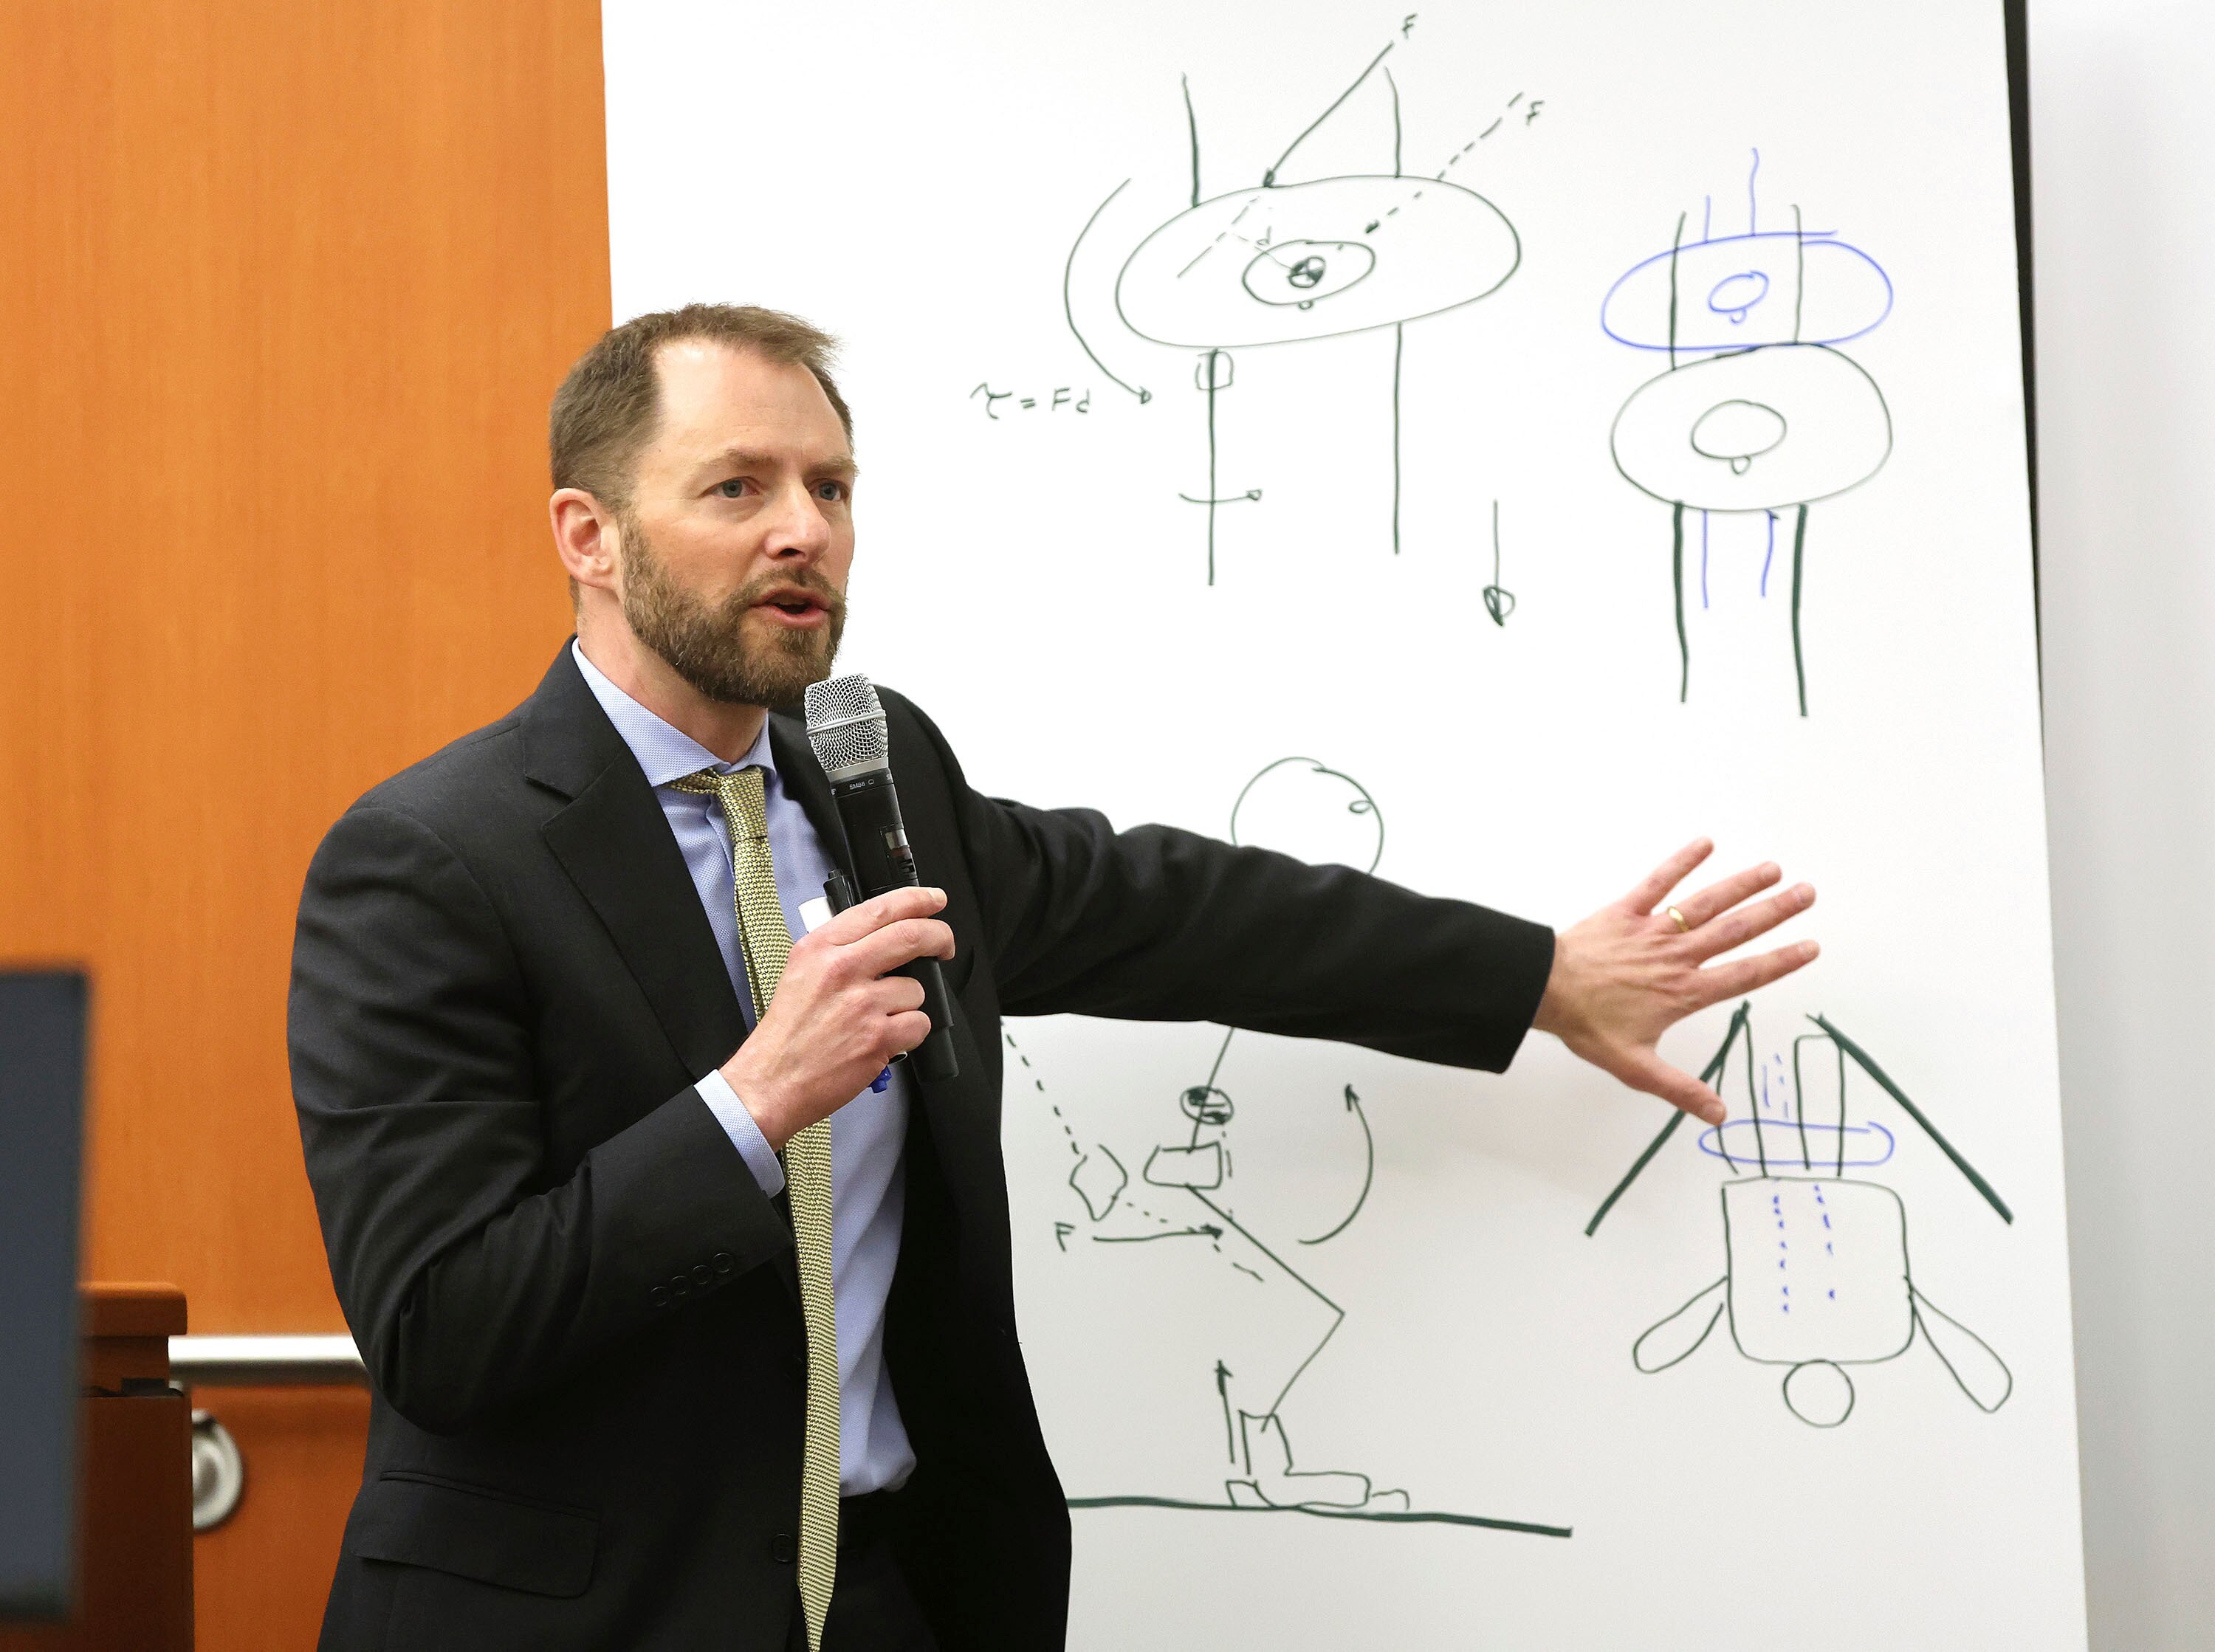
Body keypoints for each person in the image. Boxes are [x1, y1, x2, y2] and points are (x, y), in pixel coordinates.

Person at [289, 303, 1818, 1652]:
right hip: (590, 1620)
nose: (803, 531)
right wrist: (754, 1104)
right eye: (737, 488)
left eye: (830, 488)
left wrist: (1542, 977)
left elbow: (1180, 912)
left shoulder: (873, 782)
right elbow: (442, 1326)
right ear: (588, 536)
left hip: (889, 1599)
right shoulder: (433, 861)